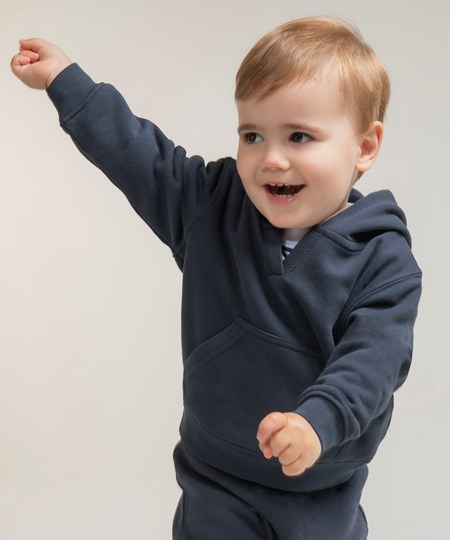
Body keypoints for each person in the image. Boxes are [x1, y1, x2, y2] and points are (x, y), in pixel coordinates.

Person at [11, 16, 421, 539]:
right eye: (253, 135)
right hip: (215, 478)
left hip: (319, 486)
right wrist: (65, 80)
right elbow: (138, 155)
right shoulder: (212, 207)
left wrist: (316, 423)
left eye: (299, 136)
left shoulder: (383, 262)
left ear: (364, 146)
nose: (271, 158)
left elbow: (372, 364)